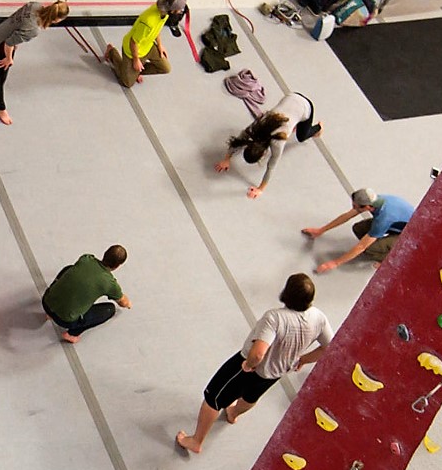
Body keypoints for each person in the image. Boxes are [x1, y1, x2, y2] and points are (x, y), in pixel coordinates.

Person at [175, 273, 329, 455]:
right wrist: (303, 359)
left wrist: (248, 364)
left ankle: (196, 441)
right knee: (251, 397)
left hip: (252, 369)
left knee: (213, 397)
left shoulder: (275, 318)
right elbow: (329, 346)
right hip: (276, 371)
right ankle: (233, 414)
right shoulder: (318, 317)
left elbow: (258, 352)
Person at [0, 0, 71, 125]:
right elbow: (8, 43)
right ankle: (1, 109)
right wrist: (9, 59)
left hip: (1, 31)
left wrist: (15, 42)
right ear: (56, 19)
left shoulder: (34, 5)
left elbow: (18, 24)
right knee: (1, 78)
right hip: (2, 43)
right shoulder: (33, 29)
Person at [215, 91, 323, 198]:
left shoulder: (278, 143)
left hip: (306, 106)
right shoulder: (257, 126)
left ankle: (319, 128)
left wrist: (260, 189)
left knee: (301, 137)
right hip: (291, 97)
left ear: (264, 154)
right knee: (288, 122)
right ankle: (294, 123)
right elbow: (238, 140)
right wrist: (226, 159)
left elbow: (271, 167)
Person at [304, 187, 415, 273]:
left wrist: (335, 263)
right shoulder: (375, 200)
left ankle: (390, 257)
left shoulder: (383, 218)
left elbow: (361, 246)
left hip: (410, 233)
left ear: (367, 207)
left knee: (369, 249)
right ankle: (384, 242)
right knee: (358, 228)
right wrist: (321, 230)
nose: (353, 208)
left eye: (355, 206)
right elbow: (347, 216)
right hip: (398, 223)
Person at [41, 245, 130, 343]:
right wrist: (128, 303)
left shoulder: (86, 259)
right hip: (64, 320)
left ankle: (49, 313)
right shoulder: (110, 284)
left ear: (105, 254)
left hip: (46, 301)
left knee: (69, 268)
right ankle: (72, 334)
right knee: (110, 309)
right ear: (118, 265)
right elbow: (123, 302)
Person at [106, 0, 186, 87]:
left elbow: (157, 29)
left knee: (165, 68)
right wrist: (136, 60)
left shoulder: (164, 13)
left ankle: (134, 72)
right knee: (127, 83)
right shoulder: (148, 22)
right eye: (179, 10)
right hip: (133, 51)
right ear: (172, 10)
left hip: (148, 46)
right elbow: (133, 41)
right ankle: (112, 52)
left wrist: (160, 45)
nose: (180, 12)